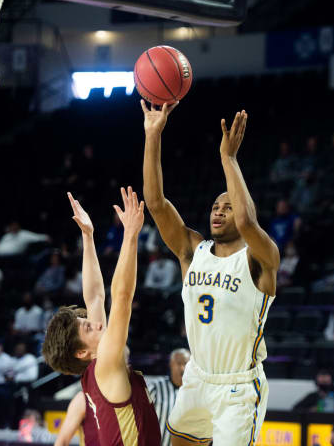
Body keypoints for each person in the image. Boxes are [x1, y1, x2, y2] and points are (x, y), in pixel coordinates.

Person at [142, 102, 280, 445]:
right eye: (215, 207)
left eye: (228, 207)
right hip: (197, 378)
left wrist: (229, 159)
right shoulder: (193, 251)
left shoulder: (260, 258)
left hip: (238, 388)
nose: (218, 212)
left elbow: (248, 222)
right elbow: (156, 203)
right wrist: (153, 135)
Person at [42, 188, 160, 445]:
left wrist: (88, 236)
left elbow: (95, 296)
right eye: (88, 328)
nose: (96, 323)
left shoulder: (95, 369)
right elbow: (121, 299)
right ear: (82, 352)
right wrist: (130, 236)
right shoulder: (105, 363)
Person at [148, 348, 191, 446]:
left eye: (186, 364)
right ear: (171, 364)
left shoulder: (195, 394)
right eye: (179, 363)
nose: (183, 368)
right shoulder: (155, 388)